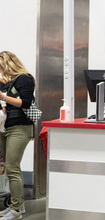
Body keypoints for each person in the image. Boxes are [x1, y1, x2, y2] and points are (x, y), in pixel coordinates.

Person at [0, 52, 36, 220]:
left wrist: (4, 97)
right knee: (12, 167)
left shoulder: (24, 78)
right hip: (8, 127)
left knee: (12, 168)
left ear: (8, 64)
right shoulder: (10, 82)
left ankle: (15, 211)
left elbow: (26, 102)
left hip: (20, 127)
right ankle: (18, 206)